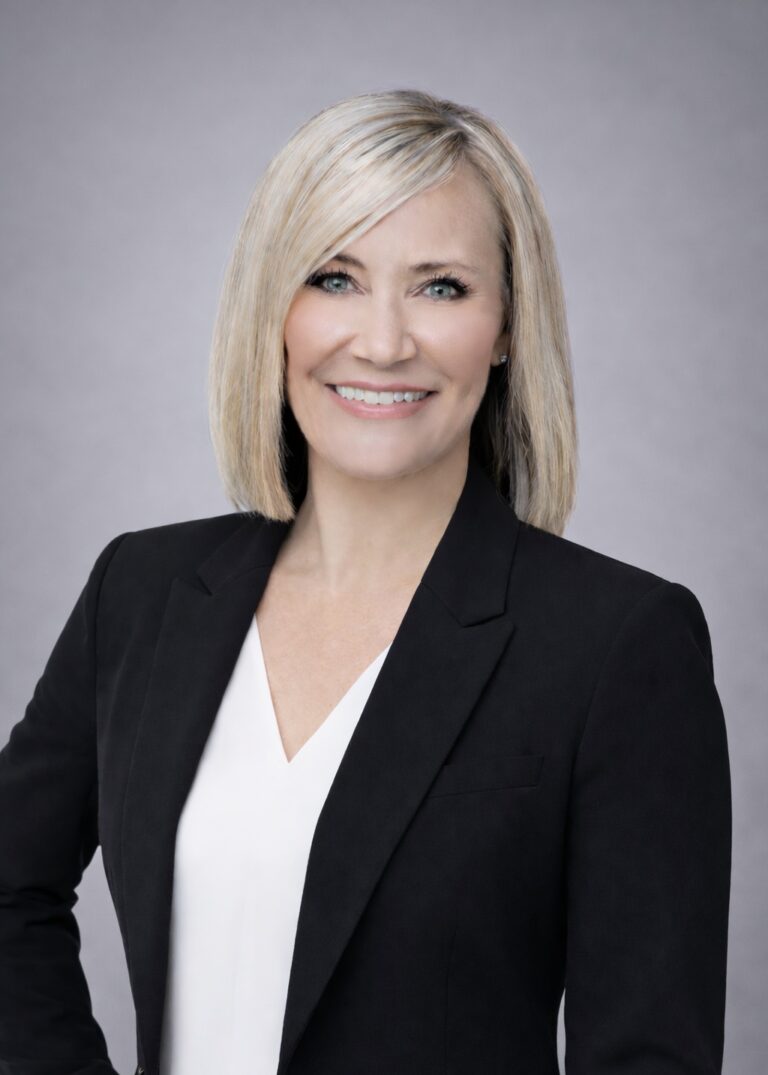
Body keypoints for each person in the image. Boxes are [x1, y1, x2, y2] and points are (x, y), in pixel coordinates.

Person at [0, 88, 731, 1075]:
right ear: (275, 308)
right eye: (334, 277)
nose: (383, 342)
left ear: (507, 324)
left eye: (441, 287)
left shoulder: (618, 642)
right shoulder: (142, 593)